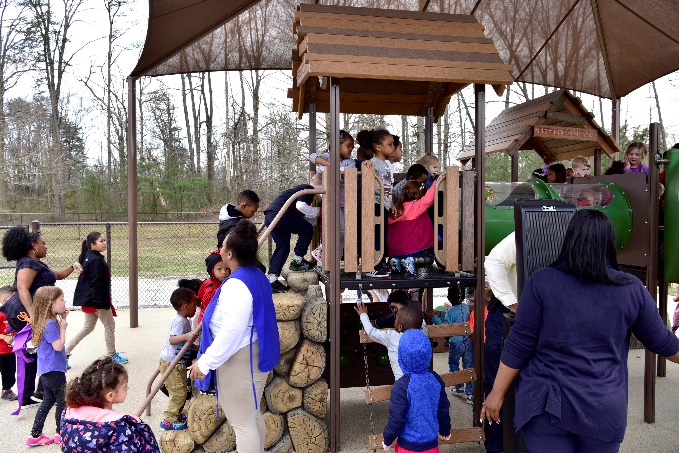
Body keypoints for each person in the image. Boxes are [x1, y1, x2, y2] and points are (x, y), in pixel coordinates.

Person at [480, 210, 679, 453]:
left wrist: (495, 394)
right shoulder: (630, 289)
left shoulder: (541, 281)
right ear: (610, 245)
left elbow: (519, 345)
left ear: (569, 240)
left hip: (547, 405)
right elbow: (664, 343)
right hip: (602, 408)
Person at [190, 220, 280, 453]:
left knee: (242, 424)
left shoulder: (236, 285)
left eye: (223, 247)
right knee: (251, 417)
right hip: (252, 354)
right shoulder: (257, 276)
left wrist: (206, 362)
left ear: (229, 254)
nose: (220, 250)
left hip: (240, 359)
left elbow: (231, 331)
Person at [0, 226, 81, 409]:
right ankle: (31, 395)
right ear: (33, 246)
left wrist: (72, 266)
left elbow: (57, 275)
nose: (46, 246)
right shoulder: (28, 264)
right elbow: (22, 288)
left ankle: (39, 392)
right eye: (43, 243)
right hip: (25, 314)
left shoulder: (36, 263)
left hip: (38, 313)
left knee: (40, 350)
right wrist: (34, 316)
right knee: (34, 351)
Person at [60, 356, 160, 452]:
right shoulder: (121, 429)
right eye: (125, 386)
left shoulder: (68, 417)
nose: (127, 388)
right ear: (110, 396)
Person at [382, 329, 451, 452]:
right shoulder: (435, 379)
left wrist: (388, 439)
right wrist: (445, 430)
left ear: (401, 357)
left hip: (407, 446)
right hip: (431, 445)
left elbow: (397, 418)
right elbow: (443, 409)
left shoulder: (402, 386)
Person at [66, 232, 128, 367]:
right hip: (96, 302)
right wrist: (99, 304)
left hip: (90, 302)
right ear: (92, 244)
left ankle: (65, 352)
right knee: (109, 326)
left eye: (104, 240)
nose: (104, 243)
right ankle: (112, 355)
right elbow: (96, 283)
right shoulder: (95, 260)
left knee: (87, 328)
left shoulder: (88, 256)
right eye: (101, 241)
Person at [483, 231, 517, 453]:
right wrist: (513, 303)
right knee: (497, 386)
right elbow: (493, 261)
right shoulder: (529, 229)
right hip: (507, 314)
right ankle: (496, 446)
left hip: (531, 313)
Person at [264, 173, 323, 292]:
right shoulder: (308, 189)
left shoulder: (300, 190)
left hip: (270, 215)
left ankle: (272, 279)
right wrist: (317, 211)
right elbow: (300, 206)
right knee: (306, 230)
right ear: (321, 185)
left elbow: (299, 215)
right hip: (280, 214)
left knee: (283, 246)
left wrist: (314, 217)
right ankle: (297, 261)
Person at [26, 286, 69, 447]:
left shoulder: (45, 320)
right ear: (50, 303)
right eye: (61, 300)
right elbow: (58, 346)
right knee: (62, 401)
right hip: (54, 370)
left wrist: (62, 318)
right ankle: (60, 434)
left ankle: (35, 435)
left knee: (48, 400)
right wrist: (63, 328)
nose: (64, 302)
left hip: (46, 370)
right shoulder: (50, 323)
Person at [309, 130, 356, 259]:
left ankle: (337, 257)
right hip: (329, 200)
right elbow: (313, 156)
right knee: (331, 230)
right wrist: (333, 166)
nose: (351, 149)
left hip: (343, 201)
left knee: (343, 231)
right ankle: (324, 253)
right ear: (337, 144)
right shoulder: (327, 157)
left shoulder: (349, 162)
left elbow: (350, 174)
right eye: (348, 145)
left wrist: (336, 170)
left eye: (352, 146)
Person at [357, 129, 395, 278]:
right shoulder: (373, 163)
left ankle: (380, 262)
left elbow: (386, 186)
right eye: (390, 144)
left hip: (384, 205)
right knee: (375, 235)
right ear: (378, 147)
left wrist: (390, 203)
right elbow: (368, 180)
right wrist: (365, 165)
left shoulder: (385, 164)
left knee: (382, 234)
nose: (393, 147)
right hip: (375, 204)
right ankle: (371, 266)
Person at [159, 287, 198, 430]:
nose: (196, 308)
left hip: (174, 361)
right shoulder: (181, 322)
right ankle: (169, 419)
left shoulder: (183, 320)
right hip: (173, 363)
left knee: (178, 390)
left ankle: (175, 413)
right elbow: (172, 340)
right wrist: (186, 336)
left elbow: (182, 342)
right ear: (185, 306)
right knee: (179, 392)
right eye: (194, 305)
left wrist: (193, 346)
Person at [354, 304, 425, 380]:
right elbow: (422, 323)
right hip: (422, 380)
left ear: (400, 327)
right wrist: (406, 311)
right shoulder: (423, 334)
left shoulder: (392, 337)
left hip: (403, 382)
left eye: (396, 320)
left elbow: (372, 332)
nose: (395, 321)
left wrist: (363, 314)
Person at [430, 286, 474, 405]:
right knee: (468, 365)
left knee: (453, 364)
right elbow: (456, 316)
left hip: (455, 342)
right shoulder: (465, 307)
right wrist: (442, 313)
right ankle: (470, 394)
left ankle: (458, 386)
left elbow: (445, 327)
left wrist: (434, 317)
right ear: (464, 297)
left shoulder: (450, 312)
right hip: (467, 341)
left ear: (448, 298)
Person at [388, 177, 440, 275]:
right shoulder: (415, 206)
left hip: (394, 251)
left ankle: (395, 260)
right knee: (429, 258)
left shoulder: (397, 209)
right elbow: (428, 199)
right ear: (420, 194)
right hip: (411, 250)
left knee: (399, 255)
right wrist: (436, 183)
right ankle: (410, 260)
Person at [197, 251, 230, 324]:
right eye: (219, 269)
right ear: (212, 271)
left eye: (227, 268)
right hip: (206, 320)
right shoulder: (208, 284)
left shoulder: (229, 283)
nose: (224, 272)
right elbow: (199, 299)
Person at [0, 285, 17, 401]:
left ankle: (6, 390)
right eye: (13, 300)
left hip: (10, 350)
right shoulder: (1, 314)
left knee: (10, 372)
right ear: (4, 301)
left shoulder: (14, 313)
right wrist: (3, 337)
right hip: (1, 350)